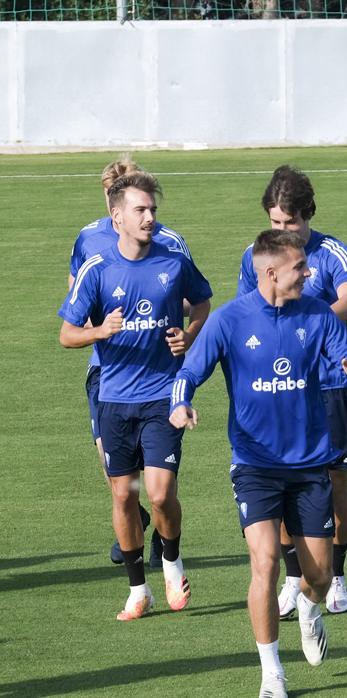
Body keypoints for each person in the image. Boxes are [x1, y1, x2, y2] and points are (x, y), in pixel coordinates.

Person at [171, 228, 347, 698]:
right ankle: (272, 673)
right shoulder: (229, 320)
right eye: (299, 269)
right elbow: (189, 372)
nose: (308, 274)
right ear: (270, 273)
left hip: (309, 467)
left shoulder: (318, 316)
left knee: (319, 576)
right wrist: (179, 404)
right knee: (263, 563)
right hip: (255, 465)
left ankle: (309, 606)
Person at [58, 171, 213, 620]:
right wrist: (99, 331)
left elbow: (202, 303)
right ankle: (137, 589)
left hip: (162, 396)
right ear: (117, 216)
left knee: (161, 495)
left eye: (153, 210)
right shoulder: (98, 268)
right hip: (114, 400)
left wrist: (189, 335)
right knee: (125, 496)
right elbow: (67, 334)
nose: (149, 218)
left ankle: (171, 560)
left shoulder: (173, 261)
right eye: (140, 210)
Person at [238, 166, 347, 615]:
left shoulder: (333, 252)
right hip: (278, 390)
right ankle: (295, 575)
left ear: (307, 216)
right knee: (283, 479)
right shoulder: (257, 255)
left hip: (327, 384)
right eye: (275, 223)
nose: (282, 231)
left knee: (333, 480)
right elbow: (245, 311)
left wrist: (306, 328)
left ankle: (337, 574)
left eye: (290, 223)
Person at [70, 157, 193, 566]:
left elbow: (191, 298)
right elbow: (76, 298)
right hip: (105, 370)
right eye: (112, 194)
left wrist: (180, 332)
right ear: (112, 203)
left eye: (147, 206)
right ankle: (135, 520)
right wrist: (101, 329)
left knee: (157, 484)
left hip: (157, 376)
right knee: (118, 480)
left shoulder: (169, 243)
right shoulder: (88, 240)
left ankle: (162, 535)